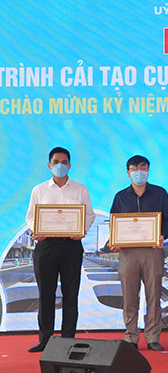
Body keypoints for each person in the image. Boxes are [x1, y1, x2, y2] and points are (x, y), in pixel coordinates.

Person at [25, 147, 96, 352]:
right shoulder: (39, 190)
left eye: (64, 162)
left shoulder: (80, 189)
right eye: (56, 162)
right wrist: (35, 230)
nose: (60, 166)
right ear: (49, 165)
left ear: (70, 165)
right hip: (46, 245)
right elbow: (30, 216)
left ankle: (68, 339)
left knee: (70, 293)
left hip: (71, 245)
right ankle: (45, 339)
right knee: (45, 294)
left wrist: (81, 230)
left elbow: (89, 215)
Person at [110, 155, 168, 351]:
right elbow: (114, 223)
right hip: (128, 253)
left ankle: (153, 337)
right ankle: (131, 337)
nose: (139, 171)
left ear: (148, 170)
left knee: (154, 295)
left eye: (143, 167)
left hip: (153, 251)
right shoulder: (121, 196)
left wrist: (162, 236)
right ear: (128, 172)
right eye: (135, 168)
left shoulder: (160, 193)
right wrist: (114, 241)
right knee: (129, 297)